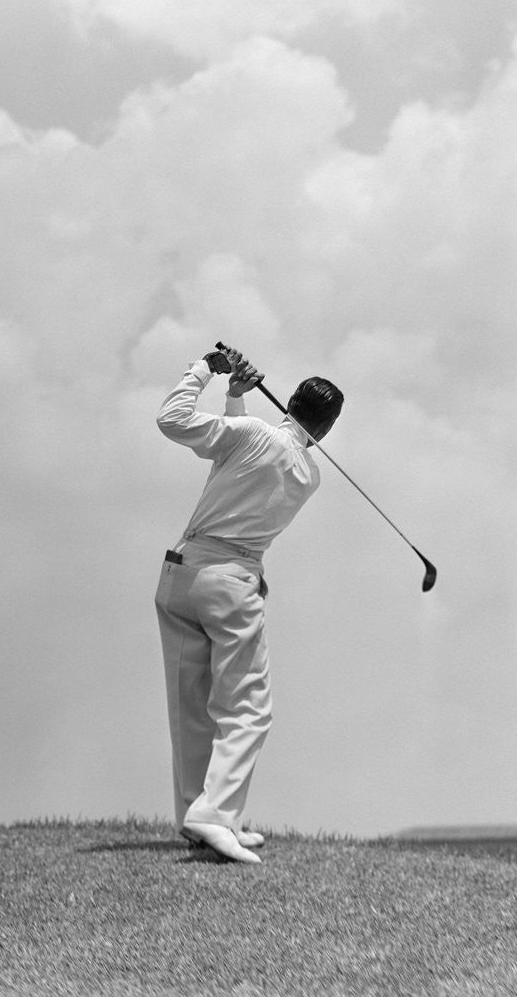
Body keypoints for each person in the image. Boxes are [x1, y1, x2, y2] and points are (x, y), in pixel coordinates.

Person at [154, 346, 344, 864]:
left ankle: (202, 815)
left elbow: (182, 424)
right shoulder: (310, 474)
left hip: (180, 575)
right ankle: (214, 816)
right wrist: (235, 397)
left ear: (290, 404)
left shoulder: (251, 434)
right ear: (325, 431)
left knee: (189, 704)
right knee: (247, 708)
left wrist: (207, 375)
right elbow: (249, 454)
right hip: (232, 583)